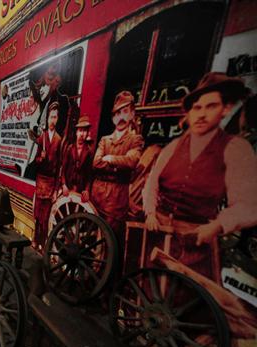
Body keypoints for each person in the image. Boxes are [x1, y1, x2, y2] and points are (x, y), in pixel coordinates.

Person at [143, 72, 257, 279]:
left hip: (196, 241)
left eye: (211, 106)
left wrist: (217, 225)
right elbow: (152, 182)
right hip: (159, 234)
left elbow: (249, 204)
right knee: (151, 287)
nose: (202, 114)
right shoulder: (174, 147)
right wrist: (150, 211)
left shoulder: (234, 149)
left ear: (225, 109)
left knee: (186, 292)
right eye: (197, 108)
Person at [91, 91, 144, 235]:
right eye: (117, 113)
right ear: (113, 117)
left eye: (125, 112)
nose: (120, 117)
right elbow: (96, 163)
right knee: (92, 235)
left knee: (110, 238)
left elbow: (131, 161)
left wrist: (110, 158)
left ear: (132, 114)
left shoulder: (135, 140)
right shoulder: (104, 140)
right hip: (97, 195)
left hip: (117, 200)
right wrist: (119, 166)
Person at [29, 102, 63, 250]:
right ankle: (35, 240)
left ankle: (43, 243)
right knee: (37, 215)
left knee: (45, 217)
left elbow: (59, 166)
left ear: (57, 119)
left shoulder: (59, 140)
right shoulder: (41, 138)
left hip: (50, 183)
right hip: (41, 181)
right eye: (51, 117)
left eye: (55, 117)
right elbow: (35, 162)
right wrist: (40, 159)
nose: (52, 120)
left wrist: (56, 190)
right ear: (47, 118)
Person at [61, 115, 93, 202]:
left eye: (85, 131)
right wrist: (63, 185)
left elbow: (89, 175)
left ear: (87, 133)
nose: (82, 134)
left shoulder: (89, 152)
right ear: (76, 132)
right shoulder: (69, 148)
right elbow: (63, 170)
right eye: (80, 130)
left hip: (80, 192)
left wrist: (87, 190)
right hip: (67, 189)